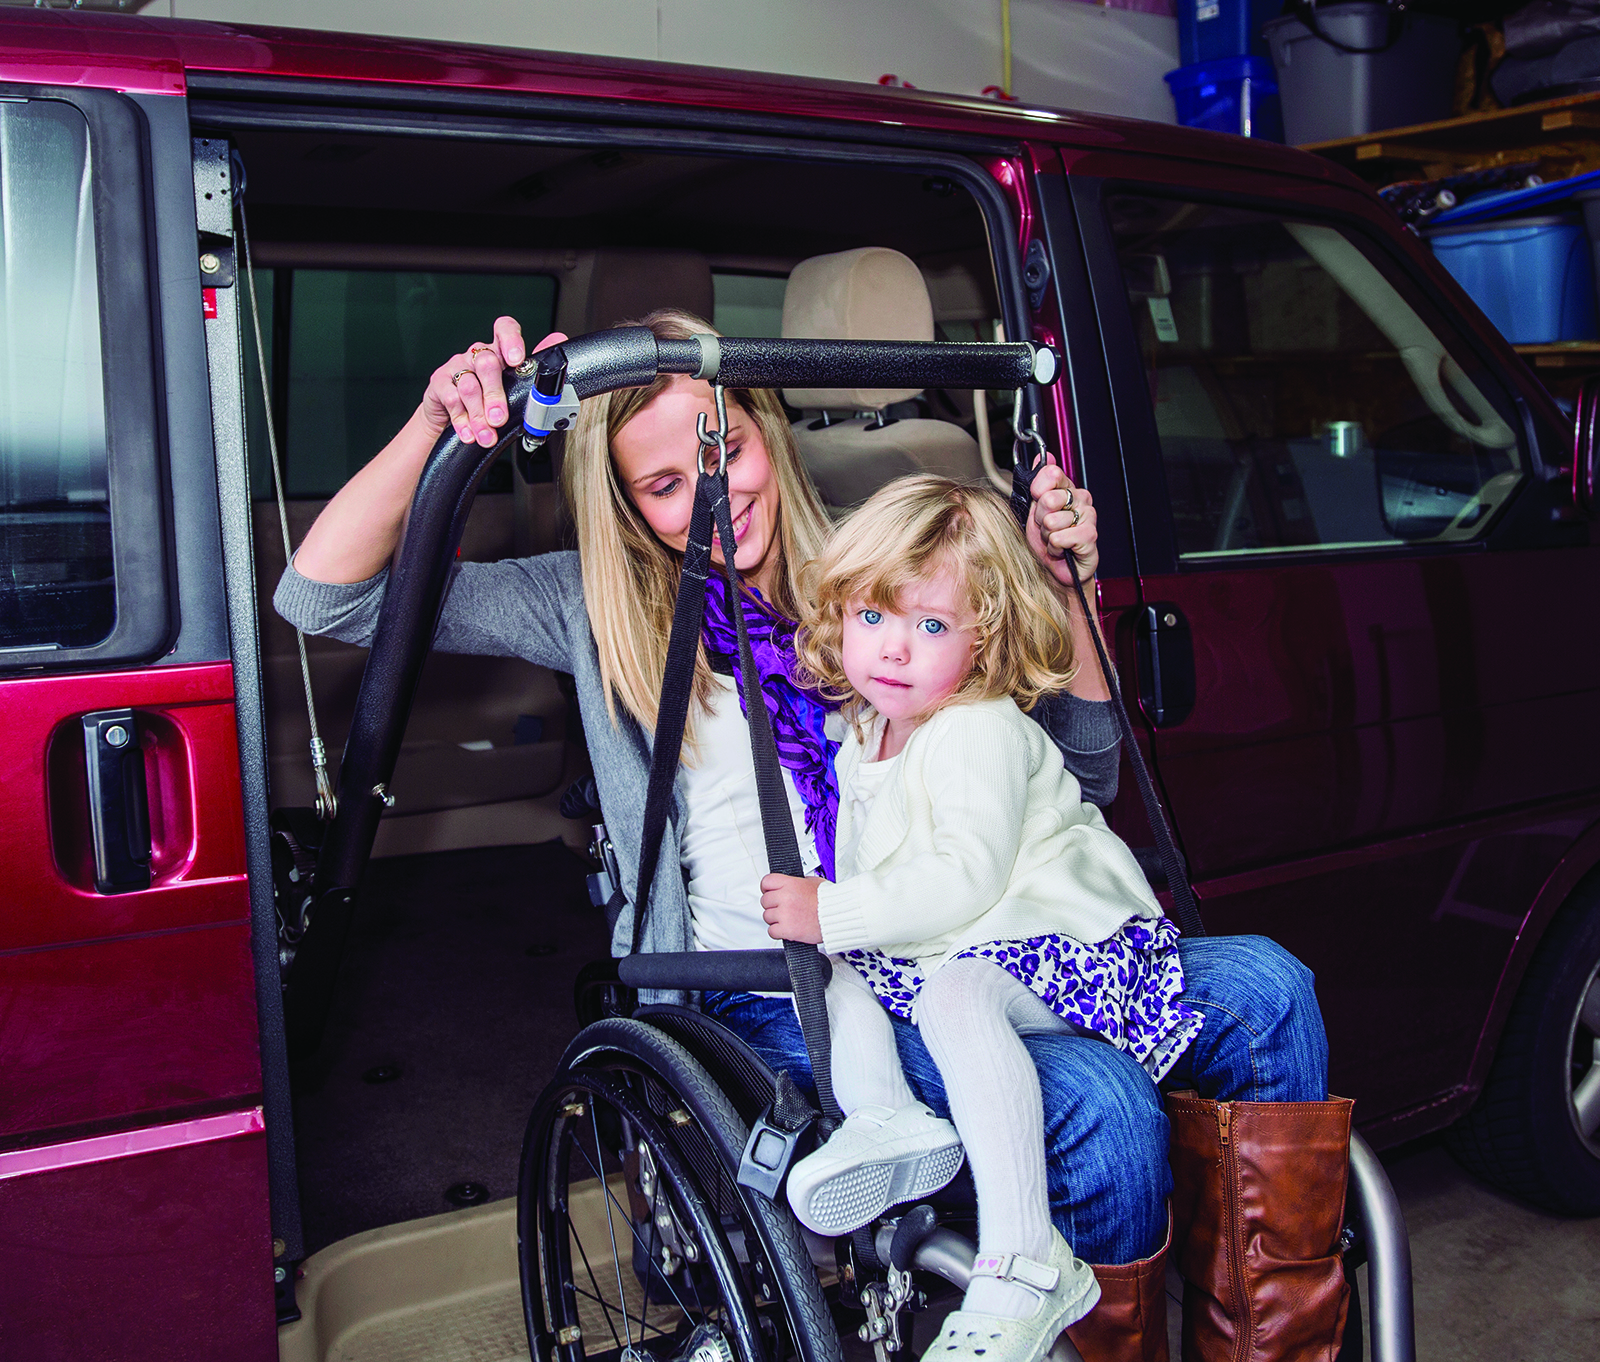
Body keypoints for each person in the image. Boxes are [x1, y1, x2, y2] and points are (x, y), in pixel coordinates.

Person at [275, 309, 1344, 1362]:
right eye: (662, 484)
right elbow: (326, 601)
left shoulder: (881, 564)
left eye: (724, 448)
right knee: (1102, 1105)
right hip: (775, 982)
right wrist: (433, 425)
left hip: (973, 929)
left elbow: (1079, 773)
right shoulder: (591, 603)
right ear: (626, 505)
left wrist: (1064, 591)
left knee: (1267, 983)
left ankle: (1271, 1346)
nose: (712, 493)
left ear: (766, 433)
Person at [761, 475, 1205, 1362]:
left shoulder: (974, 729)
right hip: (966, 938)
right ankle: (885, 1118)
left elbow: (962, 878)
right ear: (838, 617)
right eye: (873, 617)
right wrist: (836, 917)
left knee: (956, 999)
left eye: (931, 626)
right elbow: (893, 873)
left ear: (981, 641)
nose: (894, 649)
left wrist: (833, 908)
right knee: (836, 972)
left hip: (1073, 943)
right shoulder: (865, 731)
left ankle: (1025, 1258)